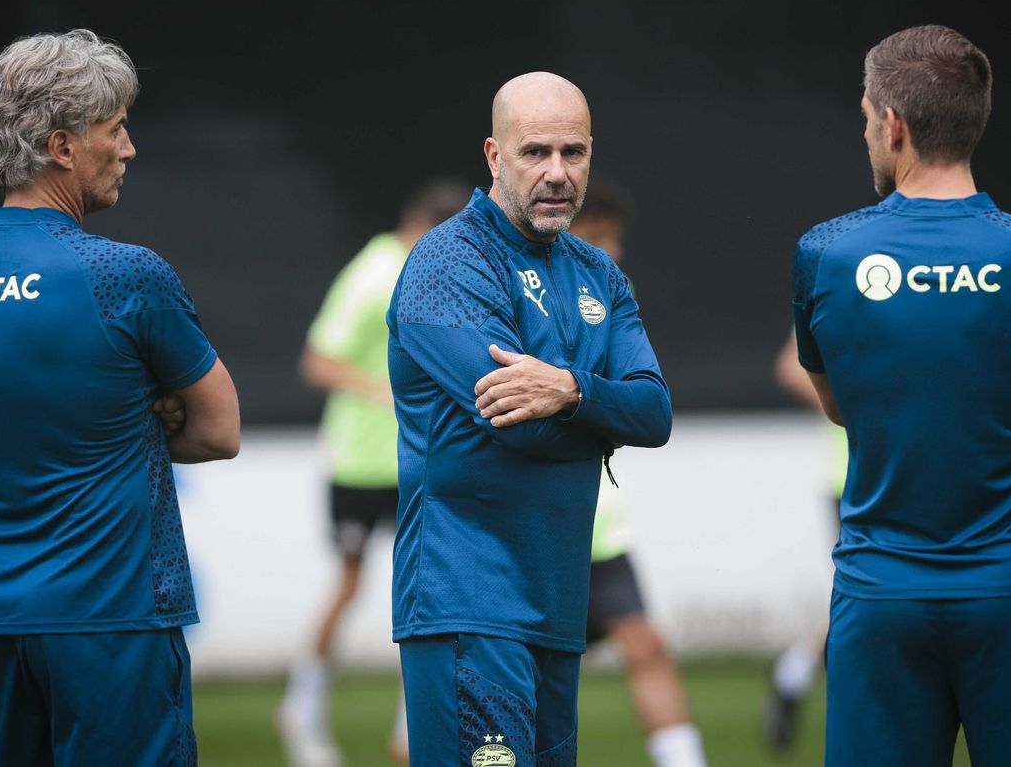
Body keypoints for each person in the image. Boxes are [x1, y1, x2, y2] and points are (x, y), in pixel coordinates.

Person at [792, 25, 1011, 766]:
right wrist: (1003, 425)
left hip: (883, 594)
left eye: (867, 120)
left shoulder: (824, 253)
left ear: (894, 125)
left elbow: (845, 408)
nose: (868, 135)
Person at [0, 30, 240, 767]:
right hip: (116, 615)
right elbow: (220, 430)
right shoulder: (125, 273)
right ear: (63, 146)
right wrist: (150, 420)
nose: (128, 149)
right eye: (117, 129)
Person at [387, 72, 672, 766]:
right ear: (493, 155)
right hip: (467, 599)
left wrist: (572, 390)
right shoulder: (447, 262)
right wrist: (603, 409)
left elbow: (656, 411)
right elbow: (517, 422)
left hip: (556, 604)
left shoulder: (599, 274)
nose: (556, 173)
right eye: (534, 152)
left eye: (573, 154)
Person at [278, 179, 467, 767]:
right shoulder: (374, 272)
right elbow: (317, 360)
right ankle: (301, 708)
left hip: (417, 461)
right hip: (360, 461)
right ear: (431, 230)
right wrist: (383, 391)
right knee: (352, 584)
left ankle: (412, 730)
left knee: (432, 591)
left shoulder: (430, 273)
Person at [568, 182, 707, 767]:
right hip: (522, 522)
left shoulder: (610, 296)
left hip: (596, 522)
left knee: (644, 643)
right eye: (601, 238)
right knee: (507, 669)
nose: (615, 251)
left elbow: (646, 406)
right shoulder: (507, 293)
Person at [760, 329, 847, 749]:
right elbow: (790, 367)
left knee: (868, 598)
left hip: (921, 472)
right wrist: (853, 411)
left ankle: (792, 673)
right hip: (859, 479)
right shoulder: (845, 277)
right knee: (867, 598)